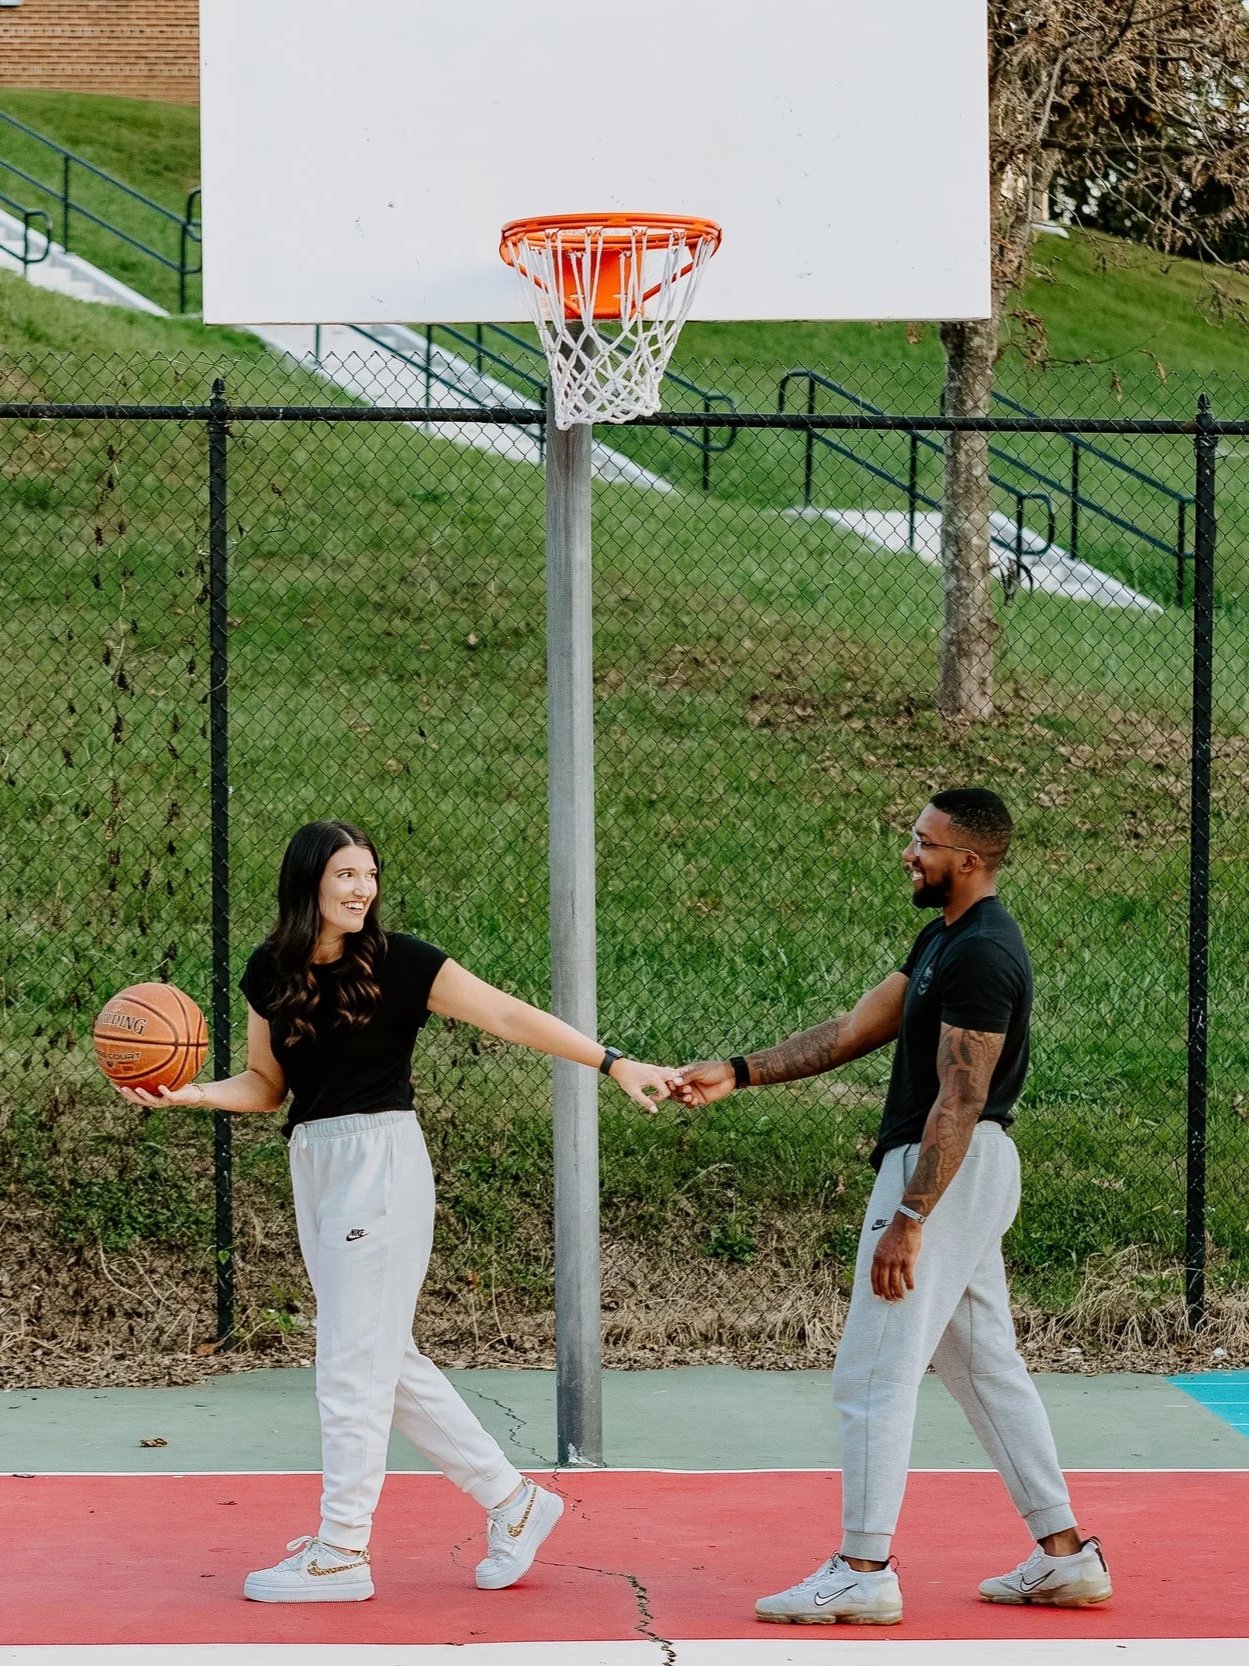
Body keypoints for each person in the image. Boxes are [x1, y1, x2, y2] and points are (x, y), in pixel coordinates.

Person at [118, 818, 678, 1604]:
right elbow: (266, 1084)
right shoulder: (269, 969)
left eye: (370, 875)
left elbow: (508, 1015)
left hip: (379, 1163)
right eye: (346, 874)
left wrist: (613, 1062)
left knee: (350, 1362)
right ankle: (513, 1502)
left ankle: (342, 1550)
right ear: (308, 881)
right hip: (315, 1158)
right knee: (383, 1358)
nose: (362, 889)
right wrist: (191, 1094)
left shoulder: (401, 961)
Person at [672, 788, 1111, 1626]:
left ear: (968, 860)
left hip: (941, 1166)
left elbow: (962, 1093)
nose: (908, 853)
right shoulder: (943, 939)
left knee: (873, 1369)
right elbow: (851, 1028)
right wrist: (736, 1071)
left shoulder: (983, 952)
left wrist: (910, 1218)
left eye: (923, 842)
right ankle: (1063, 1554)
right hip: (960, 1169)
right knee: (983, 1367)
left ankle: (862, 1568)